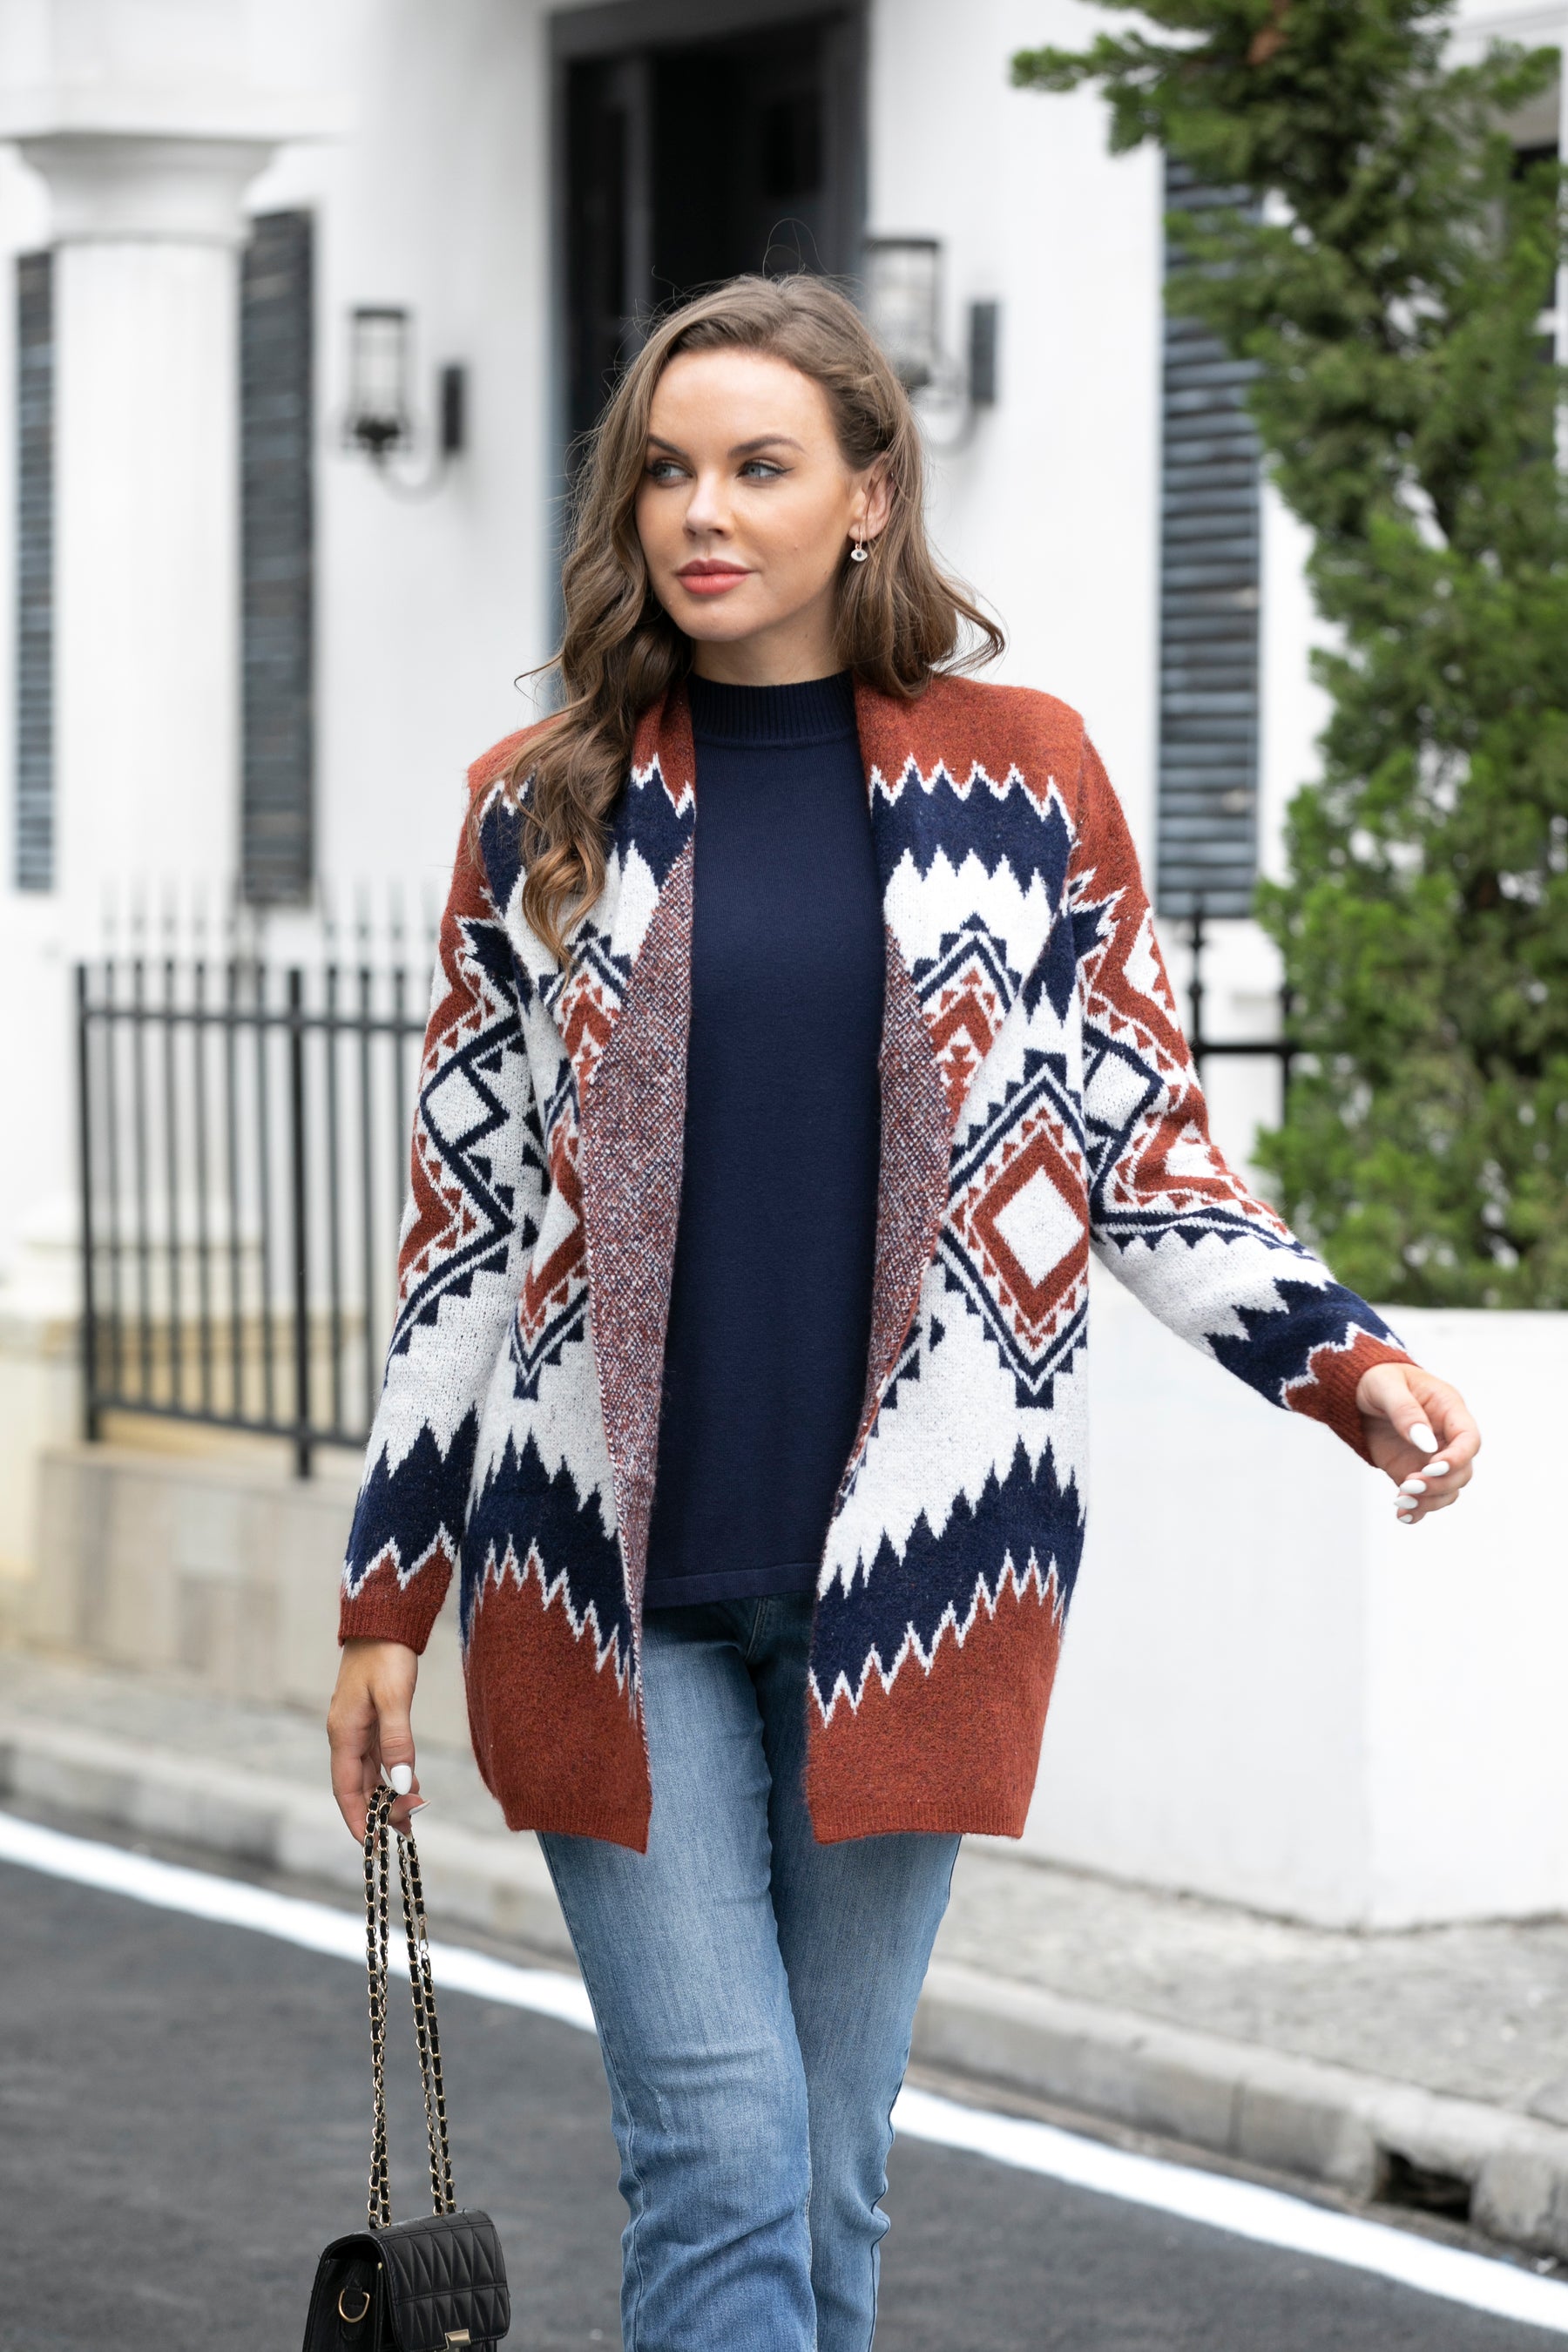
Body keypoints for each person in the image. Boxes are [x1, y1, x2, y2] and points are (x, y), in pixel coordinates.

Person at [326, 274, 1480, 2351]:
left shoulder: (1024, 780)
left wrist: (1344, 1355)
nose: (703, 512)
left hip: (918, 1586)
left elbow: (1138, 1146)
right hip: (605, 1588)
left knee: (828, 2171)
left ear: (869, 491)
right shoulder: (541, 803)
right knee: (724, 2151)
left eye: (760, 467)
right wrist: (385, 1600)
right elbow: (465, 1224)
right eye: (666, 471)